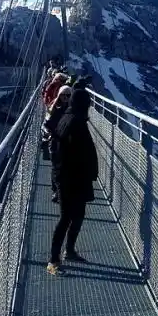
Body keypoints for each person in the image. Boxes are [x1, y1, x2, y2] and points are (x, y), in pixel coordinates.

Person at [47, 88, 98, 275]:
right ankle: (53, 260)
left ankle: (69, 251)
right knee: (66, 217)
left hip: (74, 177)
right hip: (70, 178)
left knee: (77, 215)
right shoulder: (74, 121)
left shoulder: (70, 118)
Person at [44, 85, 73, 203]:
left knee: (65, 168)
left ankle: (63, 191)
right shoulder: (53, 108)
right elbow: (46, 124)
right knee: (56, 167)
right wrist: (49, 134)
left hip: (68, 142)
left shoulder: (72, 109)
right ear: (59, 94)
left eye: (68, 95)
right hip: (55, 142)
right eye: (63, 94)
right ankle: (56, 190)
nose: (65, 97)